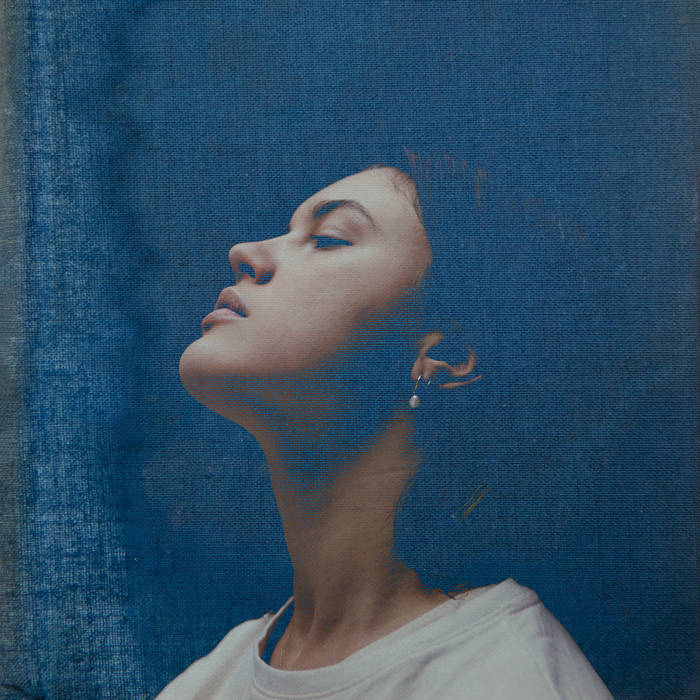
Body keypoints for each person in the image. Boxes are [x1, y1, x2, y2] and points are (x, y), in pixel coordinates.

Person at [156, 165, 613, 698]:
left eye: (328, 239)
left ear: (444, 355)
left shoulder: (510, 680)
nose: (244, 252)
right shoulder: (206, 682)